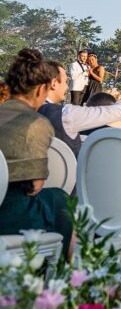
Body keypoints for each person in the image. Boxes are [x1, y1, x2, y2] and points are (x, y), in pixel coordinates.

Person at [0, 49, 74, 258]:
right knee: (60, 200)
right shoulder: (36, 123)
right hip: (7, 213)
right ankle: (66, 269)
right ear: (42, 89)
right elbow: (35, 186)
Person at [37, 61, 121, 155]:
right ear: (54, 84)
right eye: (65, 82)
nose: (67, 87)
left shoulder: (29, 111)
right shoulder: (67, 114)